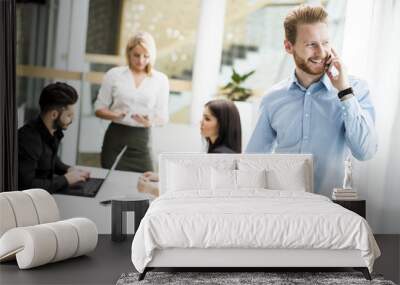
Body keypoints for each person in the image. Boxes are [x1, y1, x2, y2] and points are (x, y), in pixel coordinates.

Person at [246, 5, 378, 197]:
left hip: (332, 212)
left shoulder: (355, 89)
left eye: (325, 42)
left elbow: (365, 152)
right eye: (311, 44)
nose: (321, 52)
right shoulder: (272, 99)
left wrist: (344, 91)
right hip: (283, 208)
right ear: (288, 47)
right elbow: (252, 161)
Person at [94, 31, 169, 172]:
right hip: (115, 138)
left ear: (152, 56)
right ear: (128, 53)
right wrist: (115, 115)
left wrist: (150, 121)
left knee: (146, 185)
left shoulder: (160, 80)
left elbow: (163, 117)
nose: (141, 60)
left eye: (146, 56)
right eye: (136, 55)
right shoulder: (114, 74)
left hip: (142, 140)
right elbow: (98, 108)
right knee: (110, 183)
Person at [137, 99, 242, 197]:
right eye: (203, 117)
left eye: (207, 119)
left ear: (223, 124)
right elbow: (193, 180)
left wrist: (150, 189)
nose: (201, 122)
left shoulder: (220, 158)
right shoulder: (223, 154)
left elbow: (190, 195)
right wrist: (162, 176)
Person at [18, 82, 90, 193]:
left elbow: (50, 160)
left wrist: (69, 170)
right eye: (69, 115)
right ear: (54, 115)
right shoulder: (28, 140)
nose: (71, 120)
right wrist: (66, 179)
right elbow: (27, 185)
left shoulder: (53, 131)